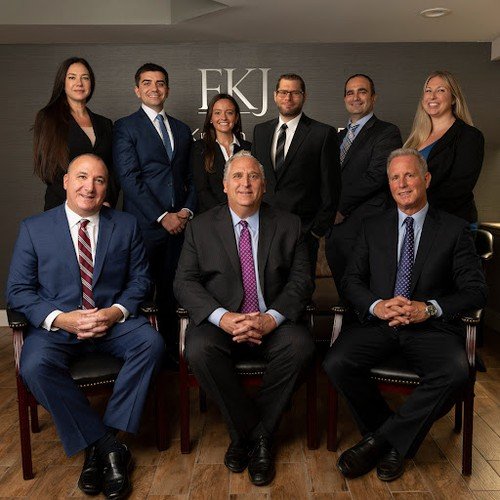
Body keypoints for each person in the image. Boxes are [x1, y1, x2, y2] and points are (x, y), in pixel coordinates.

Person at [323, 148, 487, 482]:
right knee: (336, 362)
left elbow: (476, 290)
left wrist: (429, 308)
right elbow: (351, 280)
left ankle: (378, 443)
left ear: (426, 179)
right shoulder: (372, 227)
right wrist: (377, 305)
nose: (402, 184)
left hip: (431, 329)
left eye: (409, 175)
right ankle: (395, 439)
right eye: (394, 177)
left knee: (455, 372)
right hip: (379, 325)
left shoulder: (454, 229)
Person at [7, 154, 164, 499]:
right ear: (66, 182)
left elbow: (140, 279)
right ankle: (109, 447)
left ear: (107, 188)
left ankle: (101, 441)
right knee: (33, 364)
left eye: (99, 180)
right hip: (59, 327)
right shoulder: (34, 228)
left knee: (152, 343)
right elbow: (17, 290)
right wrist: (61, 319)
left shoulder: (125, 225)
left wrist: (114, 313)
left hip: (111, 322)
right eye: (81, 177)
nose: (89, 187)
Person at [174, 150, 315, 487]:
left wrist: (272, 318)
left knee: (302, 346)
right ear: (224, 185)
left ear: (264, 185)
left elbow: (301, 281)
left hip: (272, 321)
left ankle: (244, 438)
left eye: (253, 176)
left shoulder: (289, 224)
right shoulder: (200, 227)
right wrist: (222, 318)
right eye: (237, 176)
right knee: (198, 350)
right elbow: (184, 282)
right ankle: (258, 435)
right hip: (223, 324)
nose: (245, 183)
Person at [113, 62, 195, 344]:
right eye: (147, 83)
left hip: (179, 227)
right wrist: (162, 216)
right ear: (137, 90)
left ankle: (173, 351)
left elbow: (191, 178)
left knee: (175, 291)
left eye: (160, 83)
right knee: (141, 291)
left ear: (167, 90)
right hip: (144, 227)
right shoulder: (125, 127)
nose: (154, 88)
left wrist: (185, 212)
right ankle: (143, 349)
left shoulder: (182, 130)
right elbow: (129, 178)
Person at [252, 73, 341, 275]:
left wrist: (316, 231)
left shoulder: (322, 133)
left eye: (295, 93)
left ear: (304, 96)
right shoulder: (260, 131)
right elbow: (256, 180)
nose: (288, 98)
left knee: (301, 288)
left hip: (304, 232)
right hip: (264, 229)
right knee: (265, 286)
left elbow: (332, 187)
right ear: (275, 95)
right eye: (283, 92)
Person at [325, 74, 402, 288]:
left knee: (368, 295)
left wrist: (340, 207)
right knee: (344, 294)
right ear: (344, 99)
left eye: (362, 91)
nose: (355, 97)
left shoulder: (387, 132)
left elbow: (377, 175)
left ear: (373, 97)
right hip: (335, 232)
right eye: (350, 93)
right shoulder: (336, 138)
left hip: (367, 227)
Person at [33, 57, 118, 211]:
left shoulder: (105, 123)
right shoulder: (48, 118)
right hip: (62, 205)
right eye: (72, 77)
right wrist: (79, 202)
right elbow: (48, 169)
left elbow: (112, 168)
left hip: (101, 206)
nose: (79, 83)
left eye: (85, 78)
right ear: (63, 83)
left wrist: (105, 200)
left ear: (91, 83)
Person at [404, 70, 484, 226]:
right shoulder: (415, 140)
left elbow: (459, 188)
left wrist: (415, 207)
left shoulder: (469, 136)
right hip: (416, 221)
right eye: (428, 91)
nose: (432, 96)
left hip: (451, 223)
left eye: (440, 90)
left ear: (453, 98)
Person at [191, 93, 251, 212]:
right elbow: (201, 190)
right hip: (212, 216)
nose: (223, 117)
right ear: (210, 118)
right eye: (217, 113)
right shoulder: (199, 148)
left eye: (229, 113)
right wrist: (226, 214)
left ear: (236, 118)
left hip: (245, 215)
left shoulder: (250, 148)